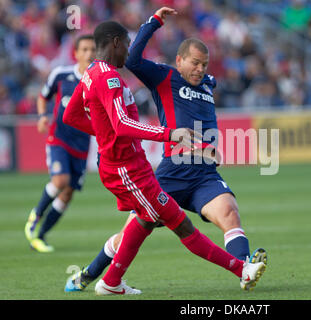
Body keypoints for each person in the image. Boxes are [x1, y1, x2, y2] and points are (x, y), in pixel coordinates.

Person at [65, 7, 267, 293]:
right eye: (195, 63)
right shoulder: (163, 77)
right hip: (172, 168)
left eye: (204, 64)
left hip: (204, 171)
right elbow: (133, 61)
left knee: (229, 212)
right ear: (179, 60)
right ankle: (91, 274)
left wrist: (208, 147)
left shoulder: (209, 84)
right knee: (138, 227)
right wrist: (153, 23)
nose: (200, 69)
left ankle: (245, 269)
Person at [24, 35, 96, 253]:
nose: (89, 53)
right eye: (84, 49)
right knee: (60, 179)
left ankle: (40, 236)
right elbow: (43, 96)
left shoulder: (99, 81)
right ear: (75, 53)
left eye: (92, 49)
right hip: (59, 139)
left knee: (67, 193)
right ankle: (35, 217)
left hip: (82, 145)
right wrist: (42, 115)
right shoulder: (61, 75)